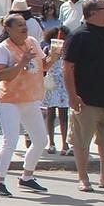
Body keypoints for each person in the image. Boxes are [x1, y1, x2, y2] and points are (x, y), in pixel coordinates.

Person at [63, 0, 104, 192]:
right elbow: (68, 66)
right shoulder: (79, 35)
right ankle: (83, 178)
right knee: (82, 141)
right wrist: (72, 95)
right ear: (92, 13)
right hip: (86, 98)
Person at [0, 13, 50, 197]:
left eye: (24, 24)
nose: (24, 28)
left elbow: (44, 65)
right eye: (19, 26)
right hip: (9, 100)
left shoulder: (31, 41)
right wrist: (21, 62)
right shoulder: (4, 48)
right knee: (10, 141)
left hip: (29, 98)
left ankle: (26, 177)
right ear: (8, 29)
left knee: (40, 139)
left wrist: (54, 56)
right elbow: (0, 75)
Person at [41, 27, 71, 155]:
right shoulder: (47, 49)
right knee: (50, 113)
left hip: (63, 83)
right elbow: (43, 65)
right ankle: (51, 143)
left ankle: (65, 143)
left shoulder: (68, 50)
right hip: (52, 82)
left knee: (64, 114)